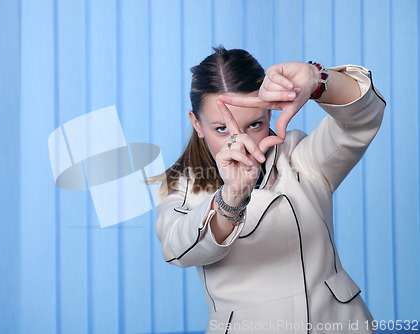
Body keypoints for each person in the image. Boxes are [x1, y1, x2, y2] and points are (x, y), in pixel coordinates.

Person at [150, 46, 385, 333]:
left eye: (255, 124)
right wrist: (231, 197)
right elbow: (176, 249)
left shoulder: (302, 157)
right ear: (197, 123)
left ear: (270, 115)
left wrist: (318, 80)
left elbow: (363, 120)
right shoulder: (179, 184)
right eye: (221, 128)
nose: (241, 141)